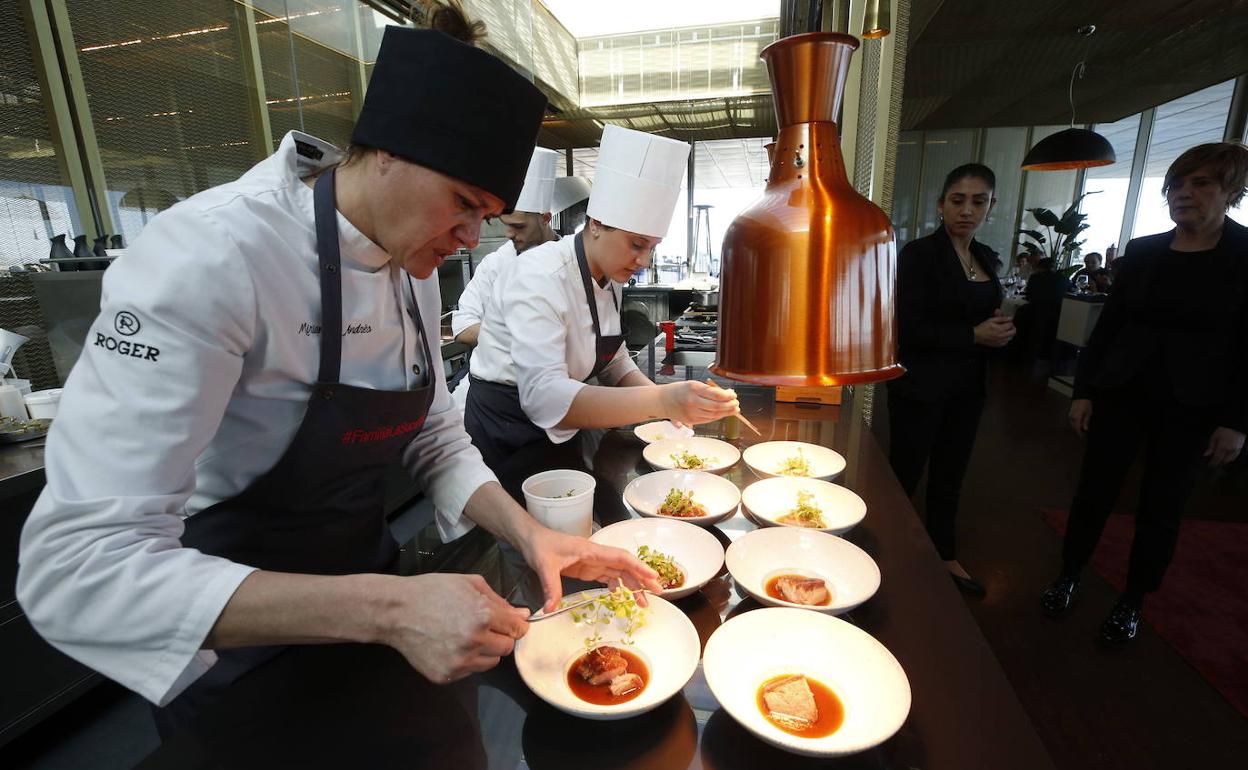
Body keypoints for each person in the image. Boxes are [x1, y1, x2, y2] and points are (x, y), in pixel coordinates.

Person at [16, 7, 659, 735]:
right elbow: (77, 570)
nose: (471, 239)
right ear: (383, 151)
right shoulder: (211, 255)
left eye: (489, 215)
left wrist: (526, 534)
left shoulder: (409, 257)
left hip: (378, 610)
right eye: (462, 205)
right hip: (241, 643)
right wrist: (386, 609)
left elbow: (435, 435)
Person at [1041, 142, 1248, 645]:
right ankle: (1069, 574)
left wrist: (1237, 420)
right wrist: (1084, 391)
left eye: (1201, 183)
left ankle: (1133, 600)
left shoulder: (1244, 256)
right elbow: (1110, 327)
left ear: (1231, 192)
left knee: (1163, 507)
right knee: (1093, 493)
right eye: (1177, 184)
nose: (1184, 193)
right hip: (1122, 392)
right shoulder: (1146, 251)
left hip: (1192, 406)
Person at [463, 124, 738, 497]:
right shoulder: (538, 275)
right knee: (530, 543)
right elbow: (545, 397)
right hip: (509, 429)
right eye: (637, 244)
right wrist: (660, 400)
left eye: (653, 247)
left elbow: (613, 361)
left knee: (579, 524)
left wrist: (667, 408)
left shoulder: (610, 277)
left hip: (565, 426)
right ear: (596, 225)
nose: (644, 260)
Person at [887, 163, 1015, 598]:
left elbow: (980, 317)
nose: (967, 210)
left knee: (951, 476)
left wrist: (999, 332)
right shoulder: (919, 255)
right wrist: (972, 335)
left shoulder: (984, 258)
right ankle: (884, 552)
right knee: (905, 473)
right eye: (958, 200)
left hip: (967, 386)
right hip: (920, 386)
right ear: (941, 205)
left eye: (978, 201)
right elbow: (903, 327)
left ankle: (944, 553)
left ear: (990, 207)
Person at [452, 147, 562, 348]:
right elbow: (462, 326)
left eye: (518, 226)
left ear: (545, 218)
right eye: (506, 224)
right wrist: (522, 341)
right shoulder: (496, 264)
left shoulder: (572, 260)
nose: (509, 234)